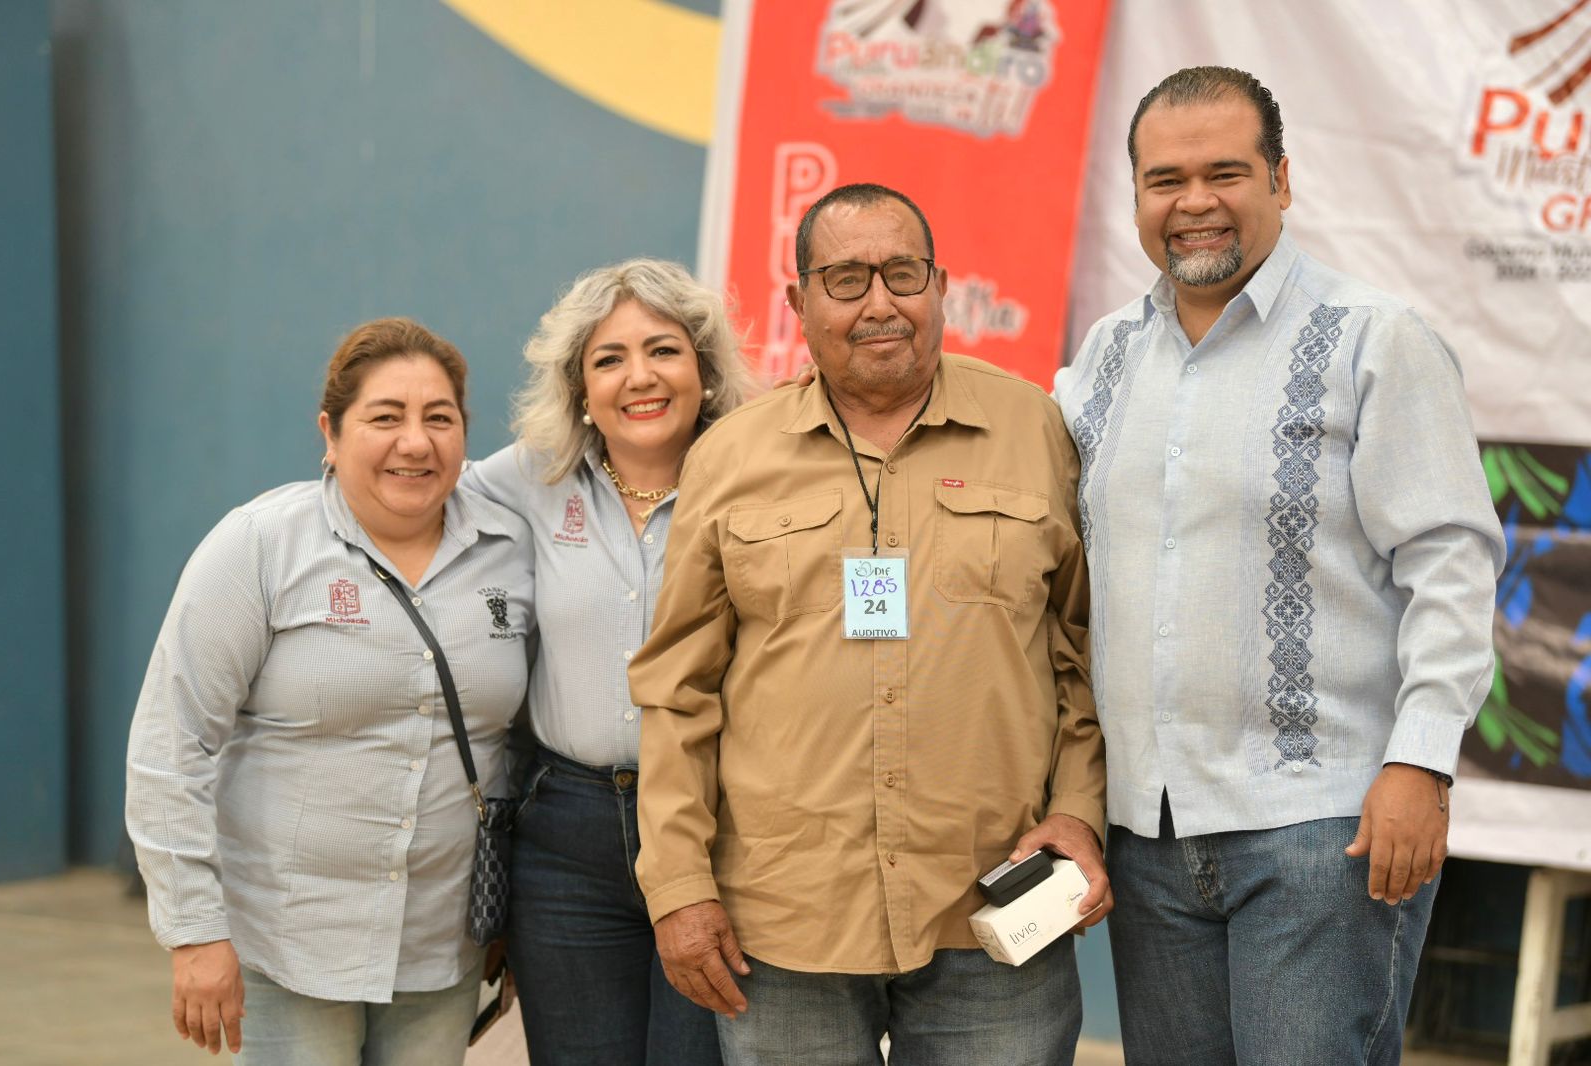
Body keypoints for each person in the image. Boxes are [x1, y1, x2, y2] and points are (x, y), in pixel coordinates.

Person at [1053, 66, 1506, 1065]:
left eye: (1225, 173)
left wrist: (1420, 760)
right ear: (1136, 196)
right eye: (1166, 180)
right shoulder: (1104, 357)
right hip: (1148, 831)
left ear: (1282, 180)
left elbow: (1452, 562)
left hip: (1324, 830)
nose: (1195, 203)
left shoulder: (1374, 340)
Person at [628, 183, 1109, 1066]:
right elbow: (677, 693)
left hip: (997, 905)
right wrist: (680, 885)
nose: (880, 302)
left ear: (942, 287)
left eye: (903, 273)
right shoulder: (729, 457)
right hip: (785, 920)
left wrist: (1080, 812)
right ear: (799, 302)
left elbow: (1082, 655)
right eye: (846, 280)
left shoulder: (1034, 430)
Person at [125, 318, 533, 1064]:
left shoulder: (509, 553)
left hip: (442, 947)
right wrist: (195, 933)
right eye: (385, 417)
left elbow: (519, 742)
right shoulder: (260, 545)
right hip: (290, 944)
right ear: (331, 433)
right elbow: (170, 744)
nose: (416, 442)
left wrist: (507, 912)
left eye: (439, 418)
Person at [463, 258, 755, 1066]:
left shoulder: (759, 476)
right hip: (567, 840)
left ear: (704, 367)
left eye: (663, 350)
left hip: (720, 830)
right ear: (579, 387)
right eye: (609, 359)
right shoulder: (526, 479)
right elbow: (412, 500)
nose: (640, 377)